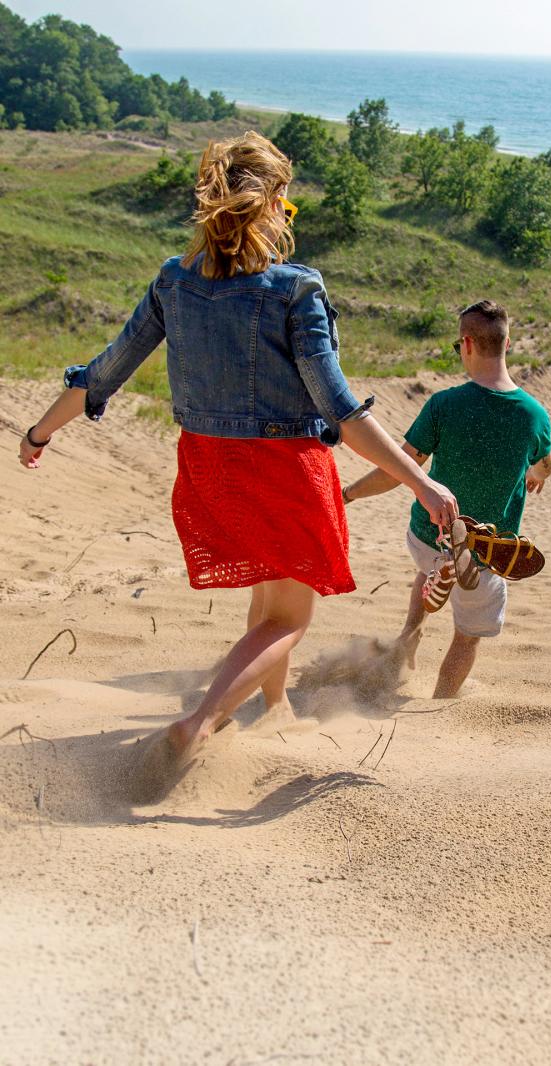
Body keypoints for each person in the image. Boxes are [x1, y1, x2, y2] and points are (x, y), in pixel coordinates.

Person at [19, 131, 457, 769]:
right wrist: (422, 482)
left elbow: (101, 373)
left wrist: (39, 433)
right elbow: (340, 411)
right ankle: (198, 723)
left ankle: (273, 708)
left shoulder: (174, 280)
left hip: (208, 469)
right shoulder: (295, 288)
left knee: (267, 593)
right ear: (276, 200)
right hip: (282, 467)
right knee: (289, 618)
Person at [342, 299, 551, 698]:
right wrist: (536, 475)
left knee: (428, 567)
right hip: (487, 551)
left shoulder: (444, 404)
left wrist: (349, 494)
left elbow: (398, 469)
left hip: (429, 532)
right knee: (467, 637)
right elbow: (546, 465)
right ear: (506, 345)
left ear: (467, 344)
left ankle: (411, 634)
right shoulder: (534, 416)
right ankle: (441, 708)